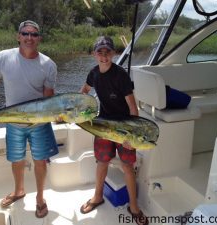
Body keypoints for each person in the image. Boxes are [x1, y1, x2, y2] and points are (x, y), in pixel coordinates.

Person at [0, 20, 58, 218]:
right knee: (16, 159)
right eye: (25, 33)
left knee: (40, 161)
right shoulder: (3, 57)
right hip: (13, 122)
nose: (30, 38)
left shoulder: (48, 65)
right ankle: (19, 190)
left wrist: (58, 114)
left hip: (39, 123)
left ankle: (40, 198)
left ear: (39, 39)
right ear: (18, 36)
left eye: (34, 34)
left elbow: (48, 97)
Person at [79, 36, 148, 225]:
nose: (104, 56)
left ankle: (134, 206)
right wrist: (81, 108)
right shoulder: (93, 74)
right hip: (103, 125)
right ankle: (97, 197)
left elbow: (133, 108)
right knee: (102, 162)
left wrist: (132, 136)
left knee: (127, 167)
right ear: (94, 54)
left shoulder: (120, 75)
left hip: (124, 127)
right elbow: (83, 91)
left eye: (107, 52)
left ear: (114, 53)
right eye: (100, 52)